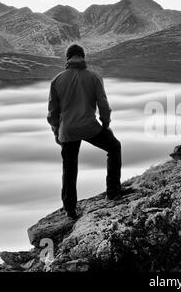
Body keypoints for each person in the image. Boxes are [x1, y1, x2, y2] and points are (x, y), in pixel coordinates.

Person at [47, 44, 126, 220]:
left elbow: (53, 112)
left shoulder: (57, 80)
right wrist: (105, 124)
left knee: (69, 168)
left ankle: (69, 209)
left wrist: (56, 132)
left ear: (67, 58)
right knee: (114, 147)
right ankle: (113, 192)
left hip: (67, 130)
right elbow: (103, 105)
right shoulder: (94, 77)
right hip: (90, 126)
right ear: (83, 57)